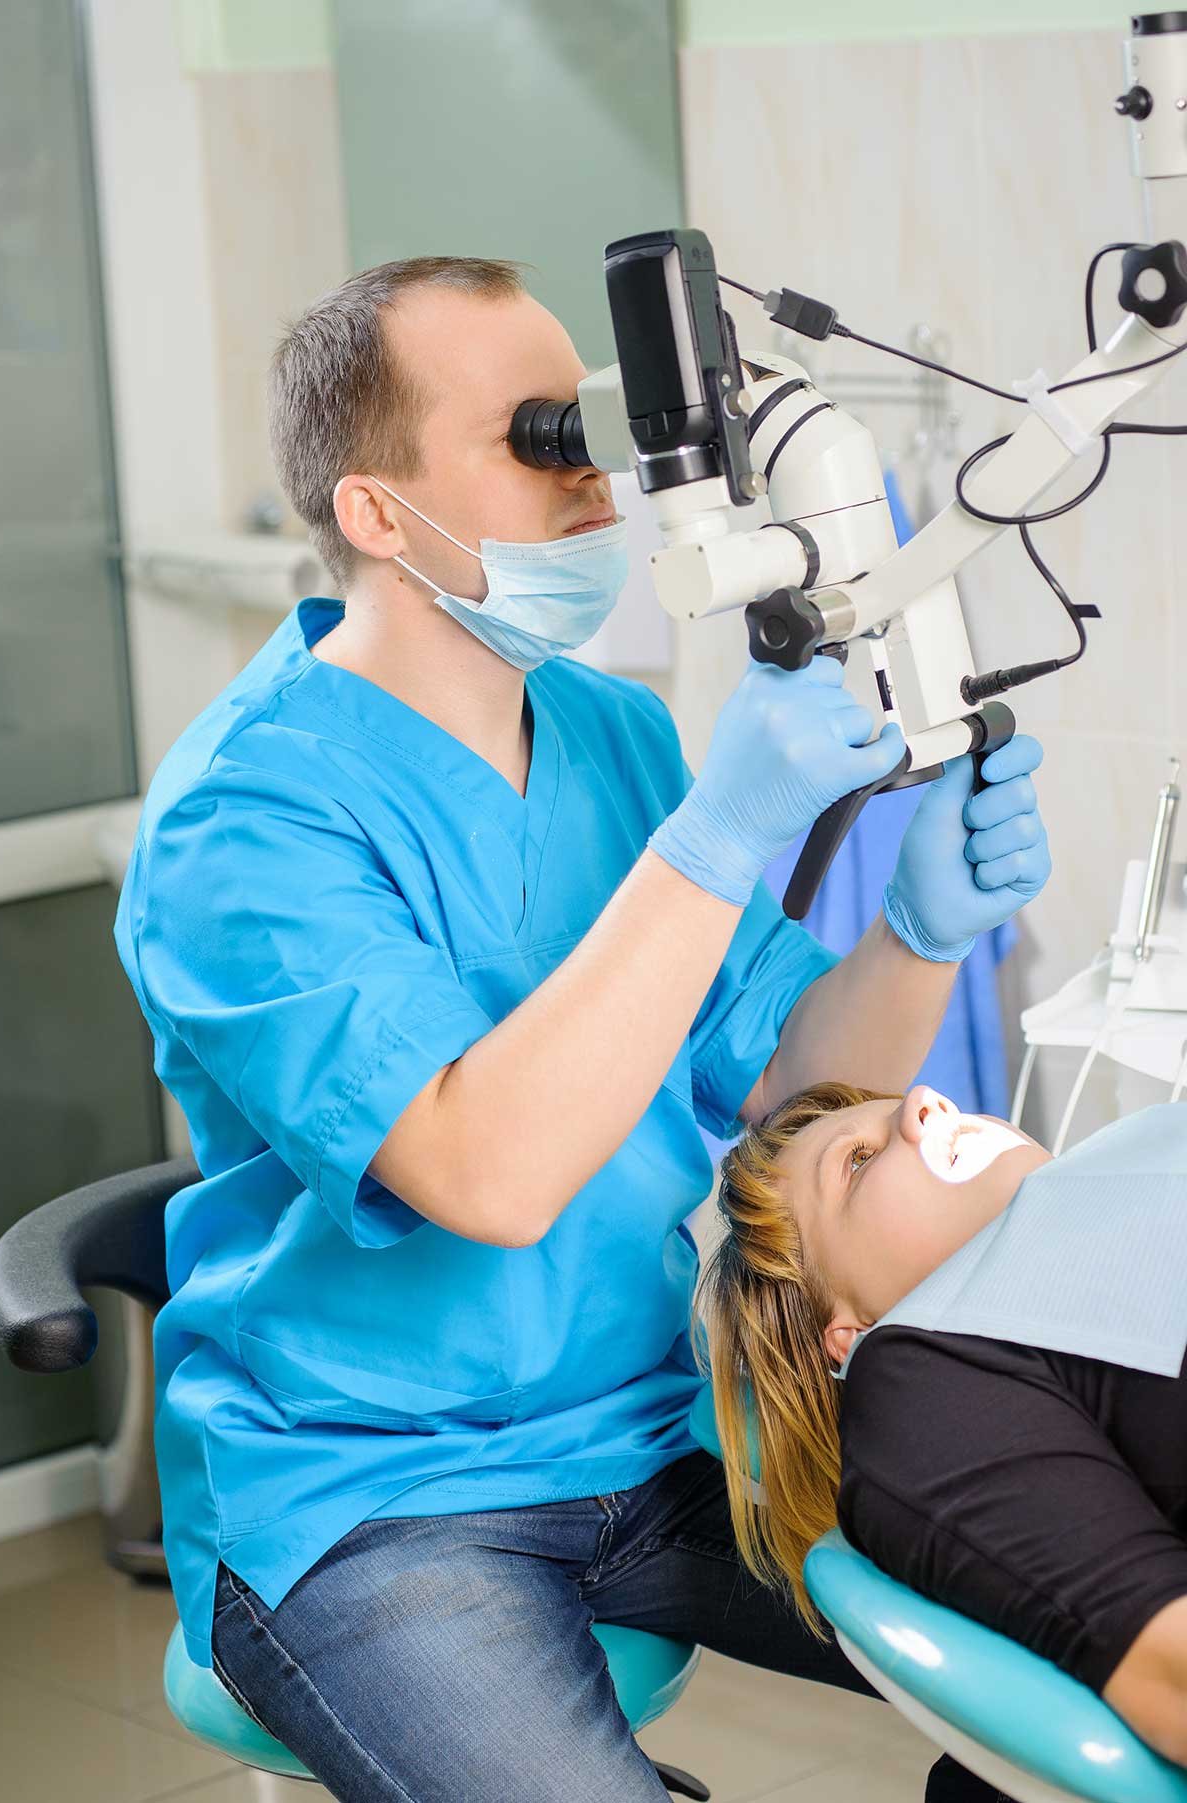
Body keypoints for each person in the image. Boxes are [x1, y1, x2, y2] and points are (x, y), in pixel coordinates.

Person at [114, 254, 1051, 1803]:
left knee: (1086, 1634)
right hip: (374, 1489)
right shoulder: (243, 817)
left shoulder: (612, 732)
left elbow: (793, 1085)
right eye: (536, 437)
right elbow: (485, 1174)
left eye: (588, 425)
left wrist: (918, 933)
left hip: (657, 1424)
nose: (596, 478)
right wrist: (713, 840)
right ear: (376, 512)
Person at [700, 1082, 1187, 1768]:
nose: (925, 1101)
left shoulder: (1136, 1161)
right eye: (858, 1161)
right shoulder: (920, 1377)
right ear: (852, 1331)